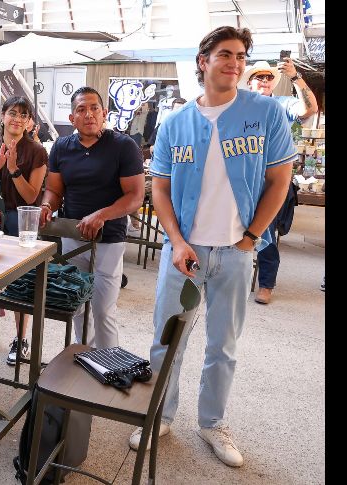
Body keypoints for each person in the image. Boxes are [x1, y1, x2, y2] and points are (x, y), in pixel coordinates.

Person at [127, 26, 296, 467]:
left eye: (241, 56)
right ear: (203, 61)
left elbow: (280, 180)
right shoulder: (176, 122)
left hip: (236, 255)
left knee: (223, 344)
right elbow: (159, 189)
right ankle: (159, 413)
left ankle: (213, 422)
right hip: (183, 252)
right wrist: (177, 240)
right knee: (167, 339)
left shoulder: (266, 113)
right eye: (226, 55)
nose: (235, 64)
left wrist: (250, 239)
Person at [39, 87, 144, 352]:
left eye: (94, 108)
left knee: (103, 309)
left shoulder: (123, 146)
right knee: (77, 305)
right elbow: (54, 189)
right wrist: (46, 205)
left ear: (104, 113)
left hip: (109, 239)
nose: (89, 114)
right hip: (72, 235)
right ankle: (84, 357)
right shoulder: (62, 147)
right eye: (81, 110)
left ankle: (109, 366)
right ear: (72, 118)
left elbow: (135, 196)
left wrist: (102, 215)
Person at [0, 96, 47, 365]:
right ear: (3, 115)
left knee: (20, 282)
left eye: (23, 115)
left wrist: (14, 169)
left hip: (20, 223)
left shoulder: (37, 152)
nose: (17, 118)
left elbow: (31, 197)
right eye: (12, 113)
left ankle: (20, 338)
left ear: (29, 122)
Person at [240, 59, 318, 305]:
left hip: (271, 180)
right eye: (258, 77)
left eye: (268, 77)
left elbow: (310, 108)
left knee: (265, 232)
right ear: (249, 81)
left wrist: (296, 78)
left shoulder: (282, 104)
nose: (264, 81)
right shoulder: (239, 104)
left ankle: (266, 283)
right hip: (241, 177)